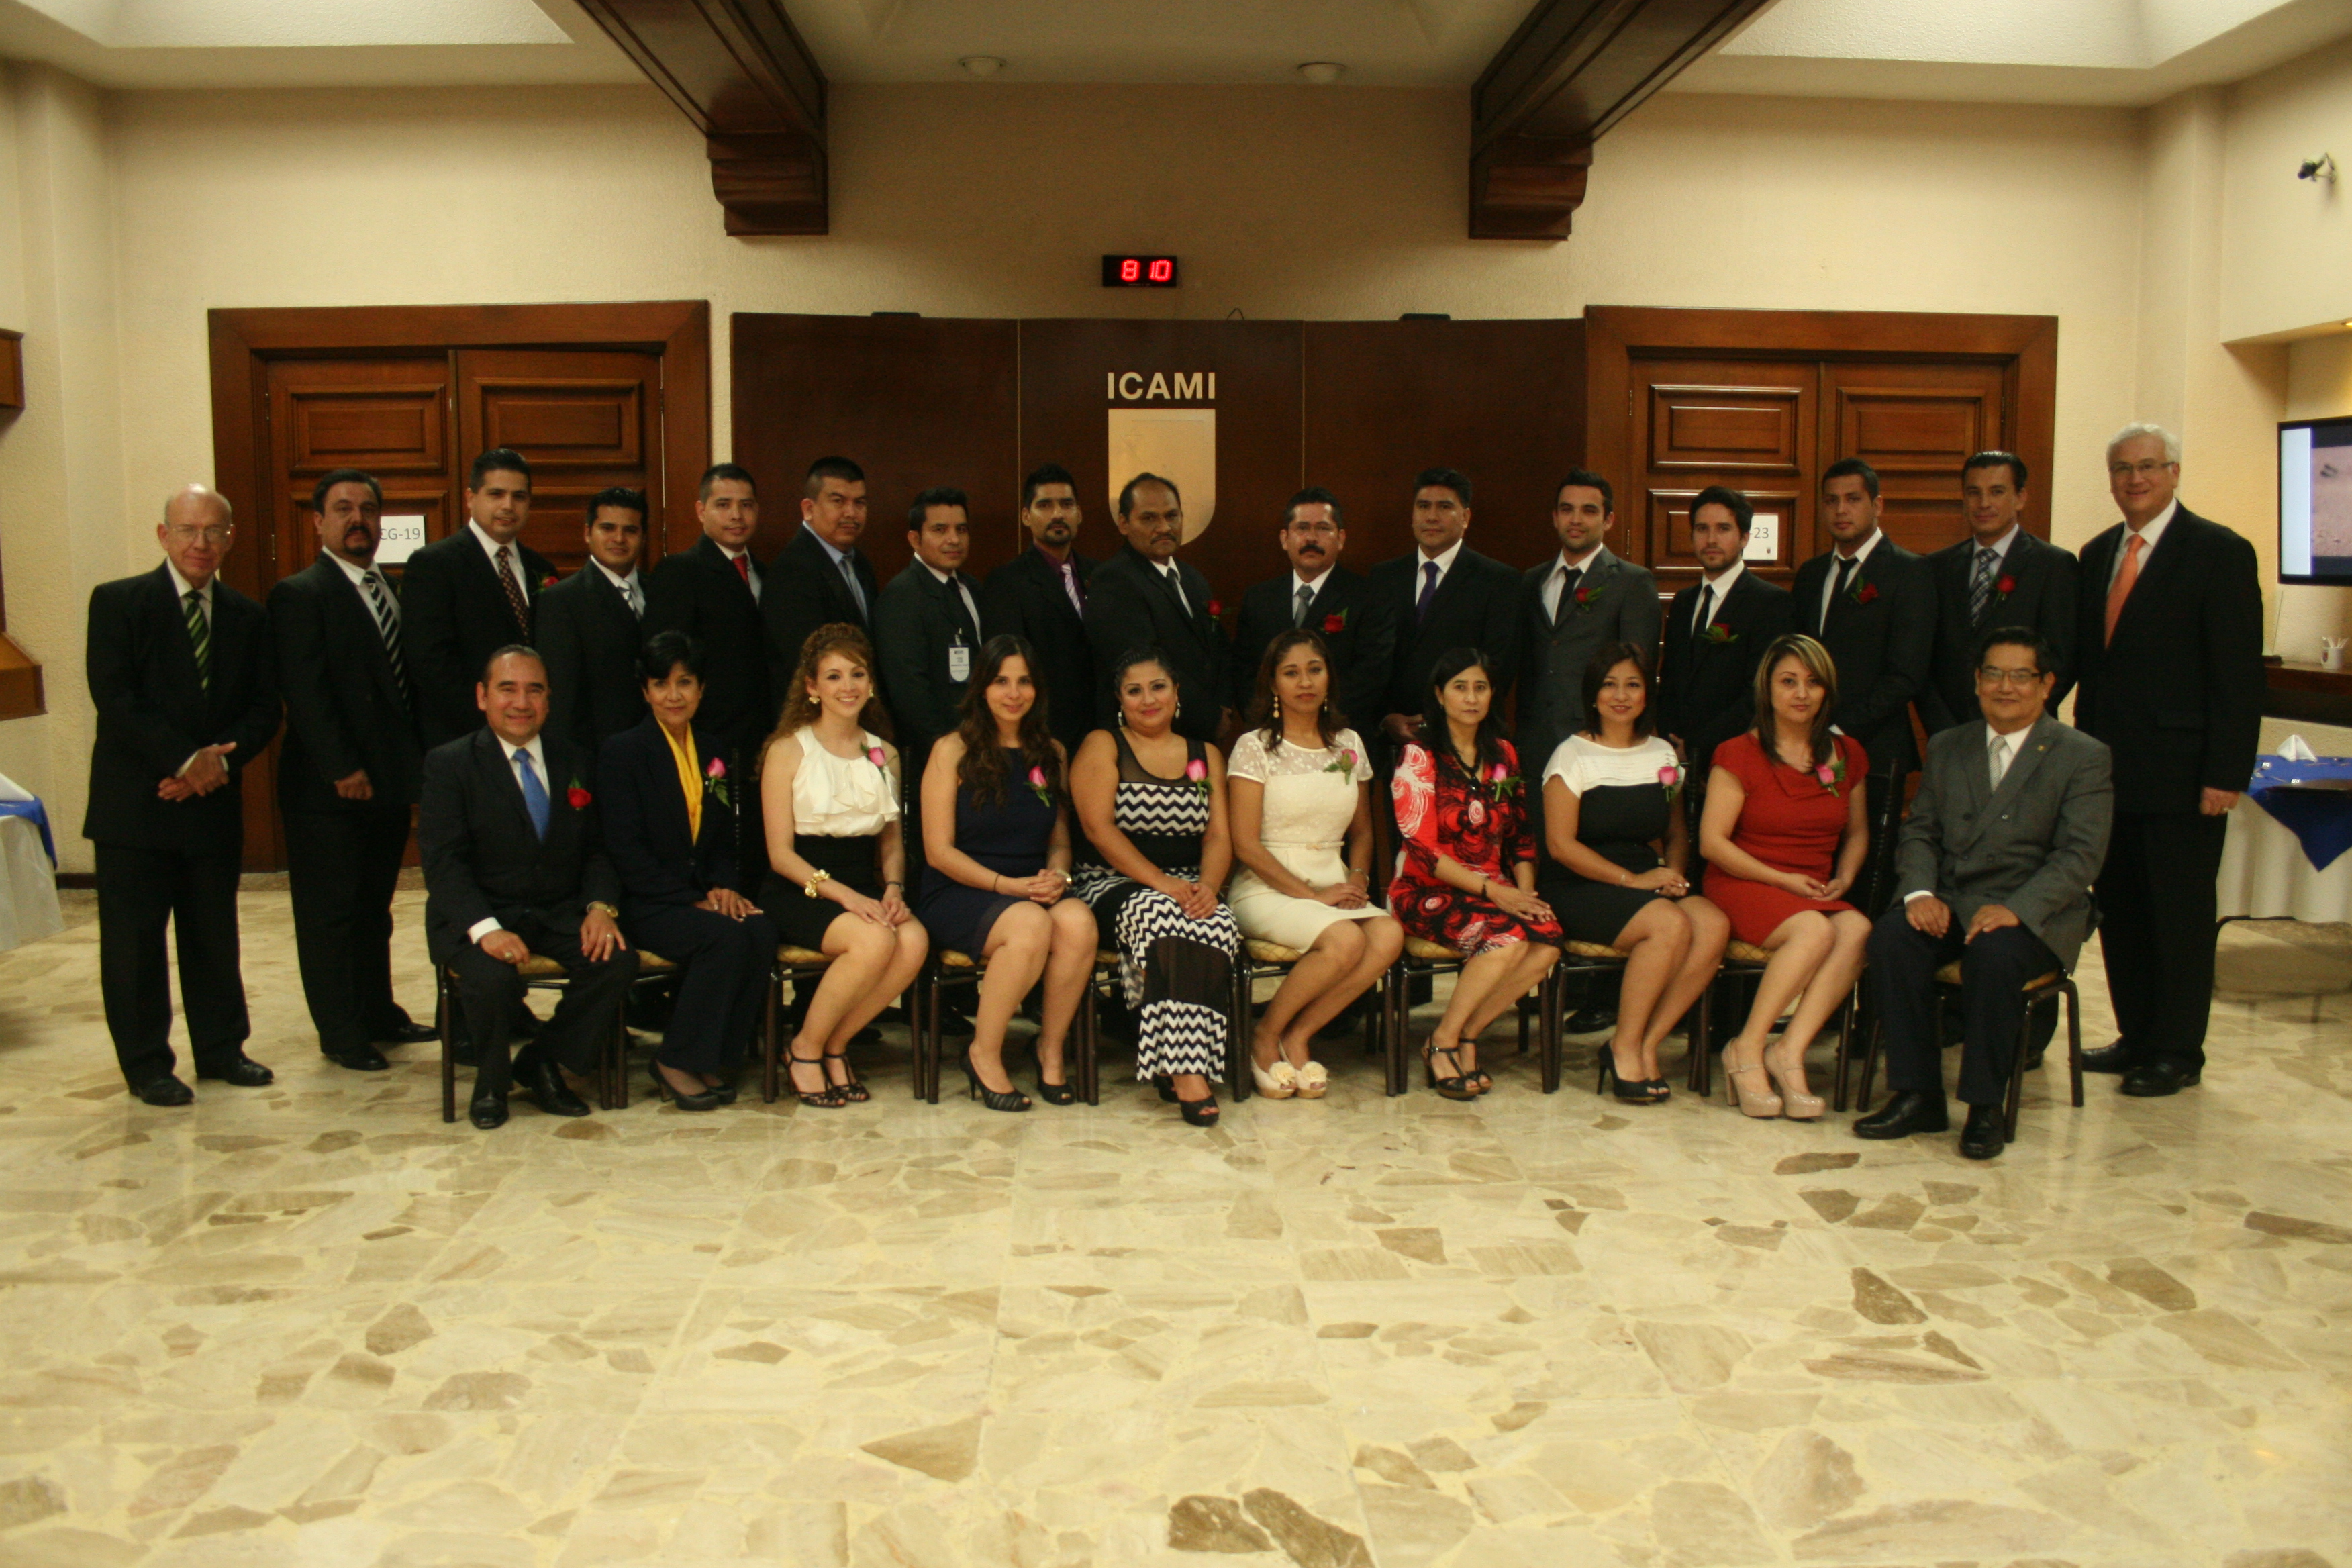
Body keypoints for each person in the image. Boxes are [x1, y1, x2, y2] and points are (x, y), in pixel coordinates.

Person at [1858, 627, 2113, 1159]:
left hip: (2035, 911)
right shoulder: (1950, 745)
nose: (2005, 687)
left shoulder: (2082, 755)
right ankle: (1917, 1095)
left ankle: (1984, 1105)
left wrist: (2017, 909)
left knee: (1994, 957)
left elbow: (2080, 856)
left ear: (2046, 684)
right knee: (1892, 939)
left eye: (2021, 676)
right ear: (1977, 681)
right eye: (1993, 674)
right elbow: (1921, 830)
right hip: (1952, 899)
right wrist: (1920, 892)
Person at [2072, 423, 2264, 1098]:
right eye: (2123, 469)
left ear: (2174, 473)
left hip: (2184, 777)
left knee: (2177, 918)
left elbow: (2237, 676)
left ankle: (2177, 1050)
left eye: (2149, 466)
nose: (2135, 480)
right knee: (2121, 910)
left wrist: (2225, 774)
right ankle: (2136, 1035)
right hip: (2107, 773)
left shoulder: (2218, 552)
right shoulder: (2098, 553)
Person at [83, 485, 281, 1104]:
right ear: (163, 536)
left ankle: (222, 1050)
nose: (202, 543)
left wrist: (216, 764)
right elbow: (115, 697)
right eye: (189, 530)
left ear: (230, 538)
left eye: (214, 531)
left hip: (211, 804)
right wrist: (185, 760)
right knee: (135, 945)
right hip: (136, 806)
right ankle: (146, 1064)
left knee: (213, 936)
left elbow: (264, 708)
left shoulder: (248, 616)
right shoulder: (119, 603)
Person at [420, 646, 640, 1130]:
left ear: (548, 700)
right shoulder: (450, 764)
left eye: (534, 690)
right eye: (508, 689)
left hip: (556, 910)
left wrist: (600, 907)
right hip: (478, 915)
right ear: (483, 697)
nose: (522, 703)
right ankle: (490, 1084)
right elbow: (443, 863)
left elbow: (598, 849)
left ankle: (543, 1060)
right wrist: (486, 930)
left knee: (616, 960)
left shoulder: (574, 758)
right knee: (492, 979)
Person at [270, 467, 436, 1074]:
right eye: (343, 509)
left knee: (373, 909)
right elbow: (305, 692)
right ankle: (341, 1032)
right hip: (328, 788)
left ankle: (378, 1012)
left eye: (367, 509)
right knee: (330, 916)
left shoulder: (389, 587)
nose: (357, 519)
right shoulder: (300, 594)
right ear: (319, 522)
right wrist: (343, 767)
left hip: (386, 783)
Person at [1540, 644, 1730, 1103]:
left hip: (1647, 875)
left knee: (1713, 924)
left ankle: (1646, 1043)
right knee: (1668, 925)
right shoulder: (1571, 755)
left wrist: (1675, 874)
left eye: (1633, 685)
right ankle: (1625, 1045)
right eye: (1609, 685)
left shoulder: (1662, 753)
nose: (1621, 696)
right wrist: (1633, 882)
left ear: (1648, 694)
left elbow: (1676, 832)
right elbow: (1561, 845)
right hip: (1580, 882)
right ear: (1592, 695)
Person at [918, 636, 1097, 1111]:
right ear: (982, 687)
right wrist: (1007, 886)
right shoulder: (951, 750)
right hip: (959, 888)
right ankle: (983, 1053)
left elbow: (1059, 838)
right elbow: (938, 851)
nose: (1013, 693)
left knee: (1078, 923)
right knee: (1030, 925)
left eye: (1024, 682)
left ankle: (1049, 1048)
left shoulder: (1052, 752)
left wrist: (1058, 875)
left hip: (1030, 885)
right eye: (1001, 681)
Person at [597, 632, 776, 1112]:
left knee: (759, 930)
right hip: (647, 901)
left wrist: (724, 888)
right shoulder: (623, 752)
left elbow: (719, 842)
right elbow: (624, 849)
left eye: (685, 682)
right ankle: (674, 1060)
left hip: (698, 896)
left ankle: (715, 1056)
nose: (673, 695)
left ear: (701, 689)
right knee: (724, 937)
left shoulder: (712, 751)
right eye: (661, 684)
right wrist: (691, 899)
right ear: (645, 692)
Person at [1699, 634, 1873, 1121]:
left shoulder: (1848, 752)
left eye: (1813, 683)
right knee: (1814, 930)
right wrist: (1781, 880)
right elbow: (1712, 843)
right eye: (1788, 681)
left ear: (1827, 690)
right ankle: (1747, 1048)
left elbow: (1858, 832)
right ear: (1768, 689)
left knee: (1857, 928)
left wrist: (1845, 877)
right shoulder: (1737, 752)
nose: (1801, 693)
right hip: (1744, 880)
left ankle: (1789, 1050)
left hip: (1811, 888)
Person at [756, 623, 929, 1108]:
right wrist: (847, 897)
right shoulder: (787, 750)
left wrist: (893, 888)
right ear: (812, 687)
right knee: (874, 940)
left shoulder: (882, 753)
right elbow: (780, 854)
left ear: (870, 682)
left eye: (857, 674)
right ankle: (804, 1049)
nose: (847, 686)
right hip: (802, 887)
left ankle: (835, 1044)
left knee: (913, 940)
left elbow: (892, 840)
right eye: (833, 677)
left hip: (863, 887)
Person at [1071, 650, 1246, 1124]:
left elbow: (1218, 835)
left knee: (1218, 922)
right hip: (1110, 881)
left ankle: (1176, 1058)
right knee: (1161, 917)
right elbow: (1098, 829)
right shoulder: (1104, 744)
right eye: (1135, 691)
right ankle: (1188, 1073)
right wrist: (1161, 883)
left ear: (1176, 693)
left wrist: (1209, 886)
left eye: (1158, 687)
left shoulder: (1205, 753)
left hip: (1188, 882)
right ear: (1119, 700)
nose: (1148, 699)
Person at [1226, 631, 1402, 1092]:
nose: (1305, 682)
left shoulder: (1349, 743)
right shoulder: (1254, 746)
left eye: (1314, 670)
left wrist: (1358, 878)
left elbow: (1362, 832)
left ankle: (1299, 1034)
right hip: (1266, 886)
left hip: (1334, 879)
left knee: (1388, 934)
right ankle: (1264, 1035)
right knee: (1344, 939)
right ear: (1274, 684)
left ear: (1329, 677)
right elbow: (1244, 844)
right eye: (1291, 673)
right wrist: (1311, 895)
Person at [1388, 648, 1564, 1098]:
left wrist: (1526, 896)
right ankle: (1442, 1041)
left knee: (1547, 937)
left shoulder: (1503, 754)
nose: (1471, 698)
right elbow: (1422, 850)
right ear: (1440, 695)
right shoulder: (1418, 755)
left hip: (1494, 889)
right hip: (1425, 889)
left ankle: (1467, 1034)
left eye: (1480, 688)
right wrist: (1498, 894)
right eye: (1460, 687)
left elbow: (1521, 835)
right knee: (1505, 938)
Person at [1792, 458, 1935, 914]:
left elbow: (1906, 674)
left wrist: (1837, 731)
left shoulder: (1910, 572)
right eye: (1831, 500)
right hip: (1806, 747)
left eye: (1853, 499)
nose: (1841, 510)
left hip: (1874, 748)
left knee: (1868, 872)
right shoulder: (1811, 574)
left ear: (1878, 505)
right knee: (1813, 861)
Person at [1516, 470, 1660, 844]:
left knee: (1590, 850)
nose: (1576, 519)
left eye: (1589, 511)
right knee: (1538, 850)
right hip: (1535, 744)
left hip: (1599, 744)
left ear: (1608, 519)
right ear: (1555, 517)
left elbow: (1639, 668)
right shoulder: (1532, 580)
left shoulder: (1631, 581)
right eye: (1567, 510)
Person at [1657, 485, 1796, 842]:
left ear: (1745, 537)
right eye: (1702, 529)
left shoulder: (1770, 603)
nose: (1711, 539)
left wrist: (1699, 745)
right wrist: (1672, 744)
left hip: (1738, 759)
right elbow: (1670, 679)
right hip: (1679, 763)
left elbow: (1759, 692)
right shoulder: (1684, 602)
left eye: (1723, 529)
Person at [1367, 468, 1524, 762]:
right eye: (1423, 506)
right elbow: (1371, 658)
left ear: (1465, 517)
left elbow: (1498, 666)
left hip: (1467, 742)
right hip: (1394, 741)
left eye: (1444, 507)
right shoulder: (1384, 577)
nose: (1432, 516)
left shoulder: (1498, 580)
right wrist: (1387, 717)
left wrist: (1440, 721)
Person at [401, 448, 553, 748]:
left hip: (533, 734)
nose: (508, 506)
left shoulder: (541, 568)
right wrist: (497, 725)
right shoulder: (433, 565)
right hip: (464, 739)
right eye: (496, 494)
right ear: (471, 498)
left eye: (519, 497)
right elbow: (431, 664)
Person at [1922, 452, 2079, 732]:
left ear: (2020, 498)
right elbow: (1923, 661)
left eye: (1996, 492)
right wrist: (1945, 730)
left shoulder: (2053, 566)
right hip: (1950, 734)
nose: (1984, 503)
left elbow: (2061, 662)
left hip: (2025, 733)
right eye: (1974, 493)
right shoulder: (1937, 567)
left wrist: (2014, 722)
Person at [1228, 487, 1393, 734]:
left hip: (1341, 732)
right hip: (1271, 733)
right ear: (1285, 538)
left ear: (1341, 538)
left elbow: (1371, 675)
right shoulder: (1259, 598)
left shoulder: (1369, 597)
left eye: (1323, 528)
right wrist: (1271, 722)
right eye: (1302, 528)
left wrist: (1316, 723)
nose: (1311, 538)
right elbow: (1244, 672)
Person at [1082, 473, 1228, 744]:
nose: (1164, 527)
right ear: (1124, 523)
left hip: (1201, 735)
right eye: (1149, 518)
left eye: (1172, 516)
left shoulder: (1193, 578)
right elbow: (1141, 666)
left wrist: (1224, 706)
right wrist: (1210, 716)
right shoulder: (1113, 580)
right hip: (1145, 738)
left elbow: (1217, 649)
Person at [644, 463, 771, 765]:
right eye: (723, 505)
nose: (736, 515)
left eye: (746, 505)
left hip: (766, 734)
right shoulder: (678, 572)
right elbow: (665, 661)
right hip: (707, 736)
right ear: (701, 511)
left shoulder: (768, 574)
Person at [979, 463, 1097, 754]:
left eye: (1066, 504)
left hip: (1102, 729)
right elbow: (1008, 667)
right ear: (1026, 516)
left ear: (1079, 514)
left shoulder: (1103, 576)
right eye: (1045, 505)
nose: (1057, 514)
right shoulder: (1007, 582)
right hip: (1043, 733)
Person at [877, 487, 985, 776]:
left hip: (983, 745)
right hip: (937, 758)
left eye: (961, 529)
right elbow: (910, 694)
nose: (954, 539)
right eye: (940, 530)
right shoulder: (902, 595)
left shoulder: (973, 588)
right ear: (915, 539)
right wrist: (948, 753)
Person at [539, 487, 652, 754]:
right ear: (588, 532)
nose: (619, 539)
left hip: (661, 747)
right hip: (599, 753)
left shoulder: (661, 590)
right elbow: (562, 700)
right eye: (608, 528)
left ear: (643, 537)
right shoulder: (562, 600)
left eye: (630, 530)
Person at [763, 456, 880, 711]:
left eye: (859, 503)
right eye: (838, 501)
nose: (851, 513)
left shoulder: (860, 563)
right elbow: (804, 662)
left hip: (858, 712)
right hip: (814, 716)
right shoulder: (792, 570)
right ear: (809, 508)